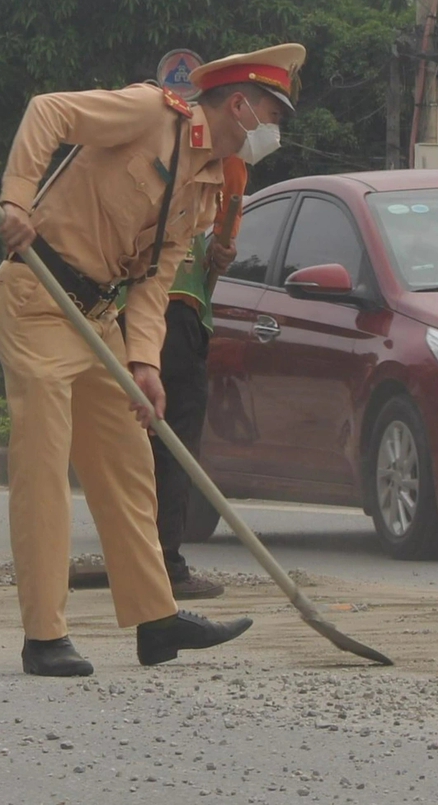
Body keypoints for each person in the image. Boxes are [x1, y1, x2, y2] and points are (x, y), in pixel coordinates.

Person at [0, 42, 303, 677]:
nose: (272, 132)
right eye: (271, 114)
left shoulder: (211, 185)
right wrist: (17, 202)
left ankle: (155, 620)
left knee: (131, 466)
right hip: (38, 295)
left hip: (100, 319)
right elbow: (46, 111)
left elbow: (156, 282)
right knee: (45, 468)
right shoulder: (147, 113)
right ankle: (44, 636)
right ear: (238, 106)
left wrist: (144, 364)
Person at [150, 153, 247, 600]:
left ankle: (141, 558)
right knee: (172, 446)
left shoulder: (206, 162)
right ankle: (163, 564)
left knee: (145, 445)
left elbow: (203, 247)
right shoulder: (207, 158)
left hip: (137, 309)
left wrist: (216, 254)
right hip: (170, 313)